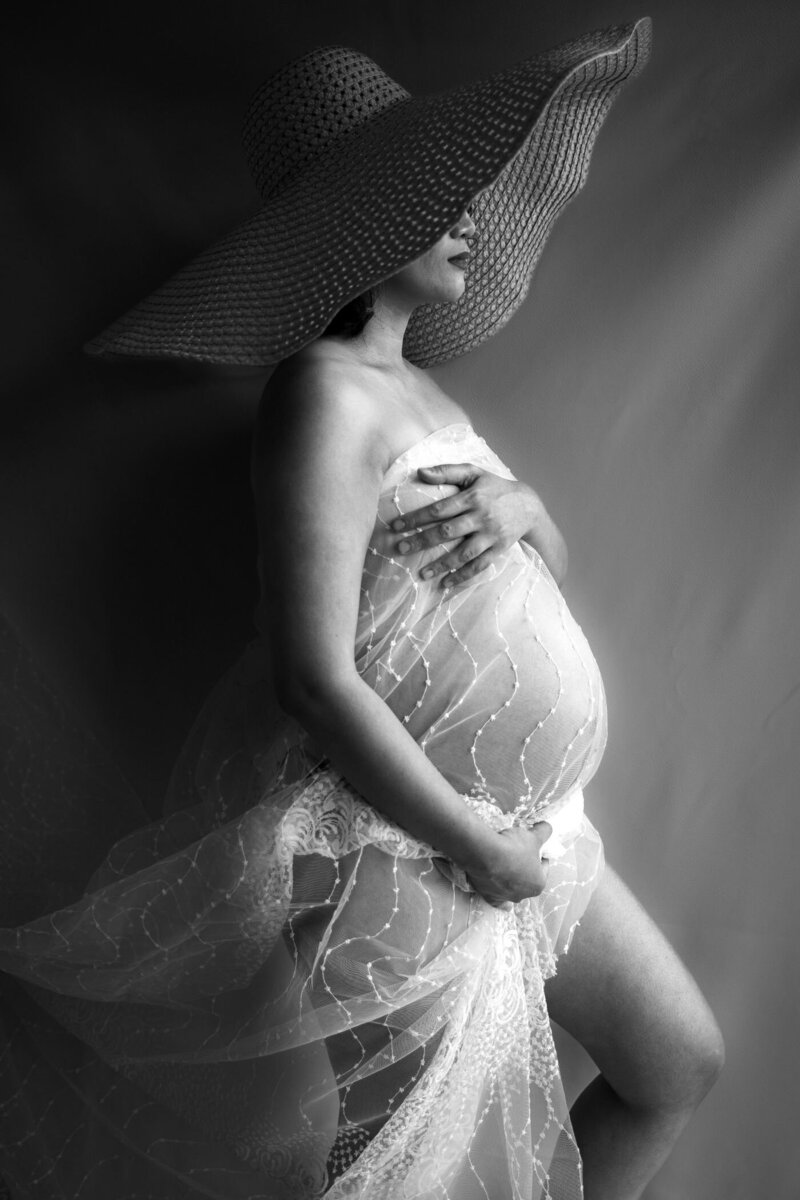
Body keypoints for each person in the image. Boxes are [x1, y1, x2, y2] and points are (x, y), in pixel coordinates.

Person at [0, 18, 723, 1200]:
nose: (471, 215)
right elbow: (313, 678)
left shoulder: (418, 391)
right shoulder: (319, 397)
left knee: (674, 1063)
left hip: (538, 826)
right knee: (390, 1170)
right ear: (364, 216)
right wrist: (469, 839)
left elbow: (522, 567)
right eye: (438, 197)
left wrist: (523, 506)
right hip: (396, 844)